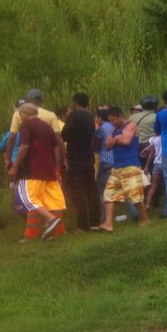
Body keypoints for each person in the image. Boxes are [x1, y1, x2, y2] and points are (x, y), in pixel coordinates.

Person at [8, 103, 66, 241]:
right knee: (52, 202)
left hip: (33, 170)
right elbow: (56, 148)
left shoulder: (26, 125)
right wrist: (56, 166)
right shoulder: (46, 126)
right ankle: (58, 232)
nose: (19, 116)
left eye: (20, 113)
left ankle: (51, 220)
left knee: (28, 199)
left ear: (24, 114)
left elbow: (24, 146)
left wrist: (15, 166)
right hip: (49, 170)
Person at [99, 107, 150, 232]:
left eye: (114, 120)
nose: (112, 123)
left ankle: (145, 219)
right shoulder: (114, 129)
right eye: (110, 121)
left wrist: (116, 139)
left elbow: (126, 141)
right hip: (116, 167)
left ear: (120, 116)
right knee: (109, 195)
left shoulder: (131, 125)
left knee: (135, 195)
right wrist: (117, 139)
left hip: (130, 165)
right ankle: (108, 224)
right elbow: (107, 145)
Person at [62, 93, 101, 232]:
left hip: (76, 157)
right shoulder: (90, 117)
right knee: (92, 188)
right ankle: (95, 222)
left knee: (79, 190)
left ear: (75, 103)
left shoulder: (74, 116)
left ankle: (82, 225)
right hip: (88, 155)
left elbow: (64, 135)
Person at [4, 89, 67, 173]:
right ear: (42, 101)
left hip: (26, 159)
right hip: (48, 159)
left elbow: (12, 138)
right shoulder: (51, 115)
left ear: (28, 100)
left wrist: (8, 159)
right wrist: (64, 159)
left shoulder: (19, 114)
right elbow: (58, 139)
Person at [93, 108, 114, 218]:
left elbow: (95, 145)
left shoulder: (101, 129)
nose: (95, 119)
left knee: (100, 189)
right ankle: (135, 212)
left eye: (96, 117)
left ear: (101, 118)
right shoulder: (114, 127)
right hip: (115, 161)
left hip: (105, 161)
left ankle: (103, 215)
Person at [128, 96, 158, 168]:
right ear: (155, 106)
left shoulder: (132, 117)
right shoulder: (156, 117)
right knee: (150, 169)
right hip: (149, 147)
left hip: (134, 146)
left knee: (137, 168)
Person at [143, 134, 162, 211]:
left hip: (157, 163)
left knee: (153, 185)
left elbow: (151, 154)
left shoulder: (154, 139)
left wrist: (146, 166)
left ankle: (147, 204)